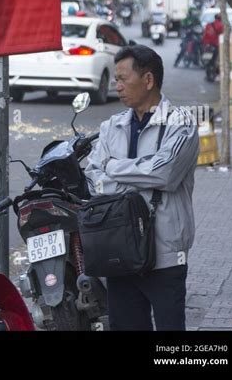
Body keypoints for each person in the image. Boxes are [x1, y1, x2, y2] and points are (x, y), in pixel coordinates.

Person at [85, 45, 199, 331]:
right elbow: (92, 177)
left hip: (165, 253)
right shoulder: (112, 126)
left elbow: (165, 173)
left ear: (148, 80)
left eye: (123, 79)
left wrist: (113, 167)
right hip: (118, 251)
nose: (118, 87)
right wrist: (136, 172)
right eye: (116, 80)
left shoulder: (180, 123)